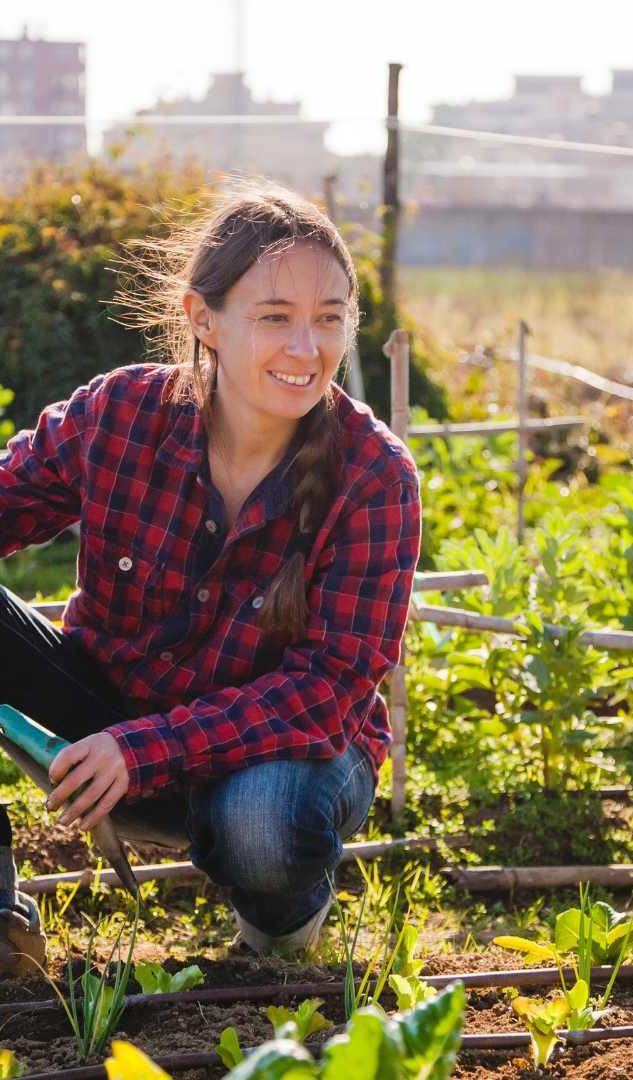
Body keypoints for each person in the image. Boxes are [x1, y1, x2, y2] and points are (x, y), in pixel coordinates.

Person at [0, 181, 422, 971]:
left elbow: (326, 688)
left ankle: (279, 923)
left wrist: (145, 748)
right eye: (275, 317)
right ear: (204, 320)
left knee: (264, 822)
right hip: (107, 720)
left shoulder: (372, 477)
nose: (308, 349)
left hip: (274, 762)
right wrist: (124, 741)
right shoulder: (121, 415)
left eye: (329, 318)